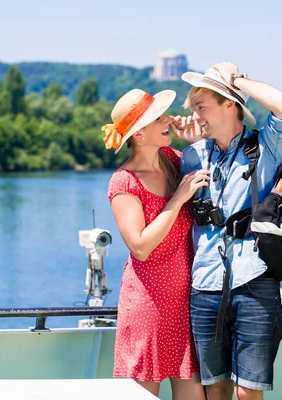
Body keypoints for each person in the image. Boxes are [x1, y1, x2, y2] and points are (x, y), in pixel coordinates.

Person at [174, 62, 282, 400]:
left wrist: (236, 81)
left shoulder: (266, 148)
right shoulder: (192, 156)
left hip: (255, 281)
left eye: (201, 106)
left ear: (229, 104)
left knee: (247, 393)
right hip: (205, 285)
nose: (194, 114)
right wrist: (195, 131)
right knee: (216, 389)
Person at [104, 88, 207, 399]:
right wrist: (178, 199)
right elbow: (140, 246)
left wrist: (195, 142)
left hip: (185, 303)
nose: (167, 120)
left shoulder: (176, 161)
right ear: (139, 135)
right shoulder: (125, 181)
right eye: (157, 118)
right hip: (148, 305)